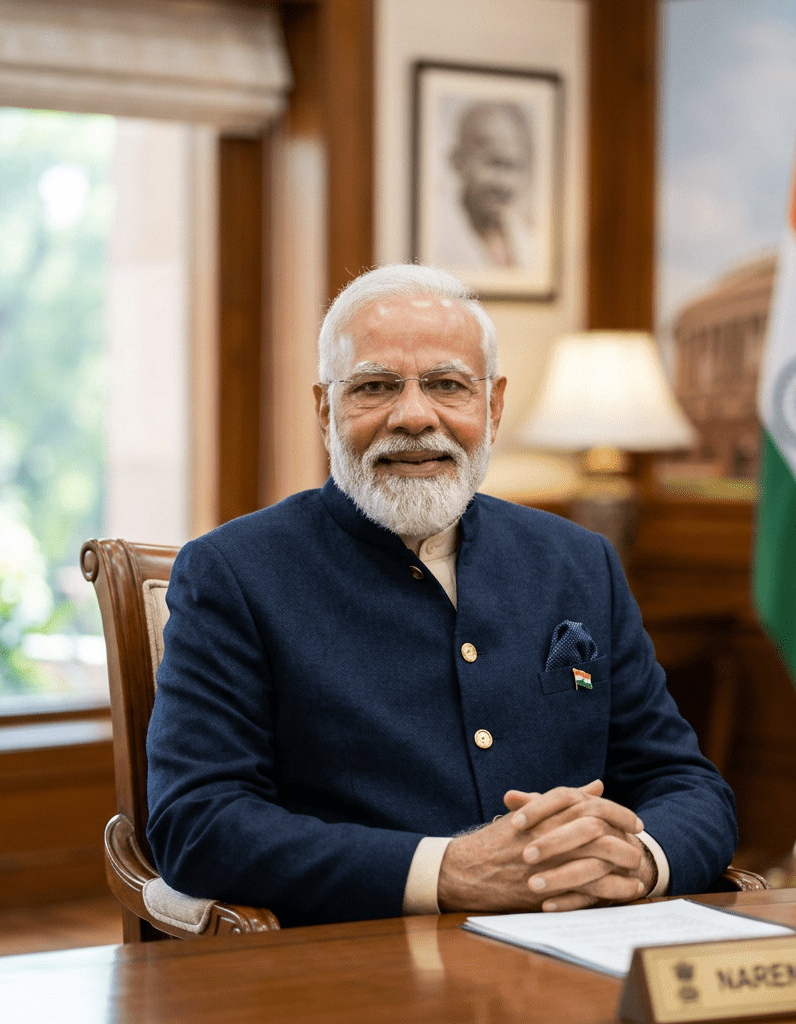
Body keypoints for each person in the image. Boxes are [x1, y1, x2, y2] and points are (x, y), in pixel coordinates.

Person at [145, 264, 738, 927]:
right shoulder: (233, 572)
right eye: (374, 387)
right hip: (361, 962)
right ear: (324, 408)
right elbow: (196, 823)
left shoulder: (580, 562)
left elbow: (689, 785)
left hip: (582, 946)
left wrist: (640, 861)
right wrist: (445, 872)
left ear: (493, 405)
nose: (414, 416)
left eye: (447, 385)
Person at [436, 101, 536, 270]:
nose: (503, 183)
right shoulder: (436, 234)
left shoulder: (531, 239)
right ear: (458, 160)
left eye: (512, 165)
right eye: (494, 163)